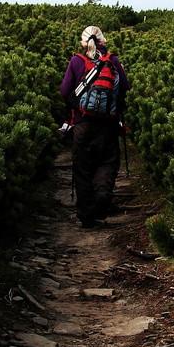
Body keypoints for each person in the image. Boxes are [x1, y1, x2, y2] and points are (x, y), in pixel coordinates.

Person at [60, 26, 130, 228]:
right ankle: (101, 201)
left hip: (82, 124)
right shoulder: (113, 61)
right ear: (103, 41)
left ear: (83, 43)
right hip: (108, 125)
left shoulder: (76, 61)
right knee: (107, 163)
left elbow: (65, 91)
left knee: (82, 169)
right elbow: (125, 87)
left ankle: (87, 216)